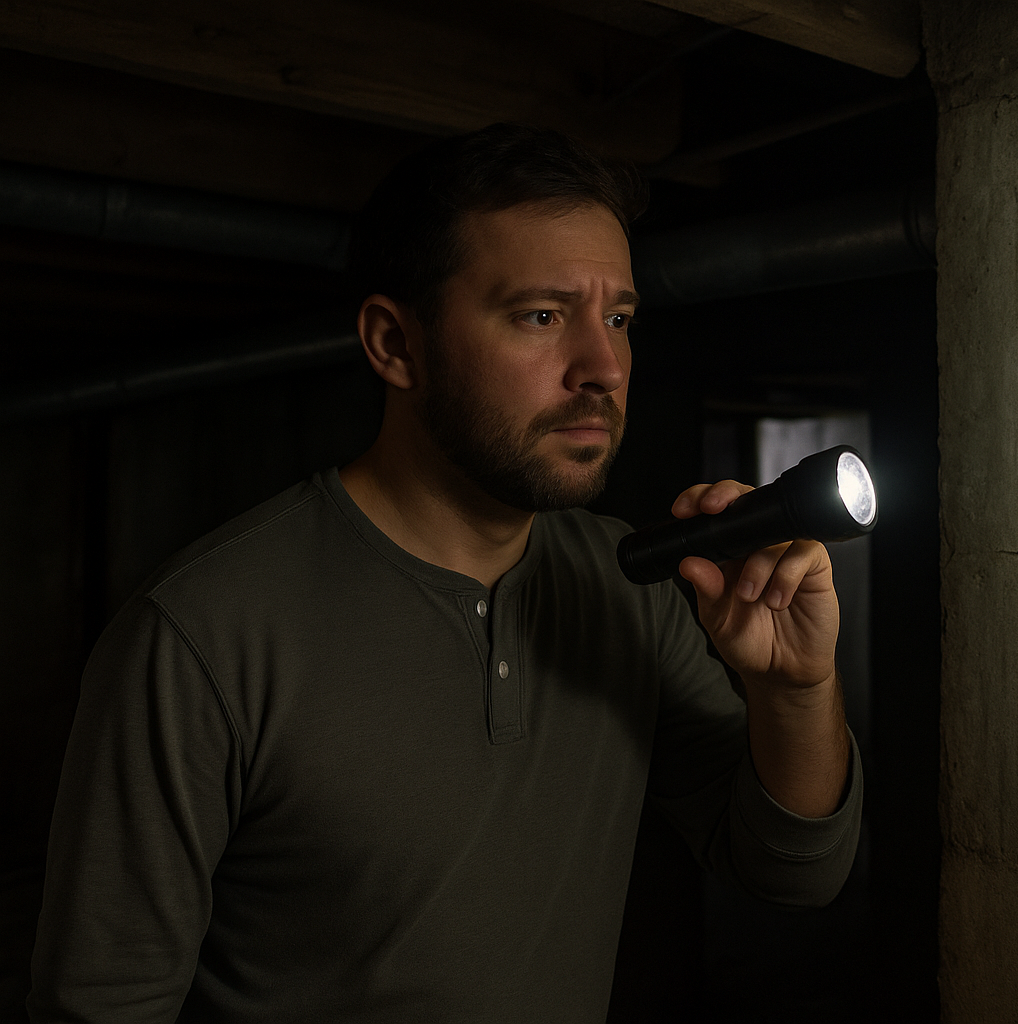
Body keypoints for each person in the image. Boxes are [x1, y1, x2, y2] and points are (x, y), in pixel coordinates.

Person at [28, 124, 862, 1023]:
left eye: (618, 318)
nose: (605, 368)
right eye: (541, 316)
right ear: (395, 343)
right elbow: (99, 1009)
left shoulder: (636, 586)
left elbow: (793, 872)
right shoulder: (201, 635)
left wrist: (795, 690)